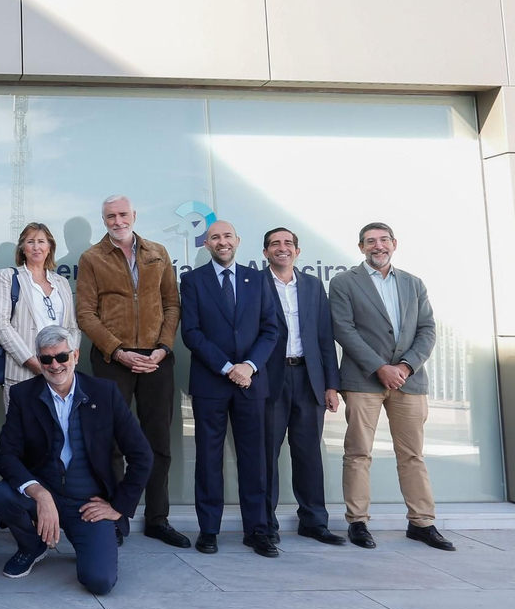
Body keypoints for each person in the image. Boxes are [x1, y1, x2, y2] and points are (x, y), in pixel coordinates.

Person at [0, 325, 152, 596]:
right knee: (1, 495)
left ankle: (92, 539)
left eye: (62, 357)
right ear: (39, 360)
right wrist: (40, 494)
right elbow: (4, 455)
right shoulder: (23, 396)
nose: (55, 365)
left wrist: (118, 506)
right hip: (45, 491)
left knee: (99, 582)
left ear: (75, 355)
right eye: (46, 359)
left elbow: (141, 455)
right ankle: (32, 545)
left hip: (88, 504)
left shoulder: (105, 393)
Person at [330, 222, 454, 552]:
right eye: (370, 241)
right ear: (361, 248)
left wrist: (405, 366)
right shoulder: (344, 283)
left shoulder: (414, 284)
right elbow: (343, 330)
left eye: (383, 240)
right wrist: (379, 368)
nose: (377, 246)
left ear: (394, 244)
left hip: (409, 381)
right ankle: (358, 522)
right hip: (362, 381)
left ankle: (422, 522)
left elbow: (427, 329)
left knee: (412, 455)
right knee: (358, 453)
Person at [75, 195, 189, 549]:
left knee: (158, 442)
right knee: (110, 443)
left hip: (157, 359)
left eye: (123, 214)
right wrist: (118, 351)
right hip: (113, 362)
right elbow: (85, 314)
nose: (117, 220)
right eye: (110, 215)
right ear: (104, 219)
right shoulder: (92, 258)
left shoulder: (157, 252)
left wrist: (163, 347)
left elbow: (172, 302)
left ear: (134, 216)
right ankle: (115, 517)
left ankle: (157, 519)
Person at [180, 220, 281, 557]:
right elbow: (191, 333)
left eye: (226, 236)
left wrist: (248, 367)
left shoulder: (258, 280)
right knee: (208, 459)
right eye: (214, 238)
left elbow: (270, 329)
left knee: (254, 459)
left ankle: (257, 530)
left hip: (252, 382)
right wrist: (227, 368)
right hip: (211, 382)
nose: (221, 242)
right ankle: (209, 529)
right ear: (205, 244)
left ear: (237, 241)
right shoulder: (192, 281)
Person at [260, 227, 346, 546]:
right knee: (266, 454)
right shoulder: (256, 285)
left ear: (297, 251)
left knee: (309, 453)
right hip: (270, 379)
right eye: (274, 244)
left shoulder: (312, 285)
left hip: (309, 379)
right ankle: (264, 524)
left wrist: (331, 385)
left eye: (288, 243)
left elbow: (324, 337)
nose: (282, 248)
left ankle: (313, 521)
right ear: (265, 252)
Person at [0, 222, 80, 410]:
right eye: (30, 242)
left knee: (58, 430)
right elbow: (0, 325)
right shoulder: (8, 276)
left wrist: (68, 359)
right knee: (22, 432)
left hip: (60, 372)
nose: (36, 247)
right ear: (23, 248)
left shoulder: (61, 282)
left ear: (49, 248)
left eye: (41, 241)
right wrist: (33, 363)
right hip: (23, 371)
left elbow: (72, 326)